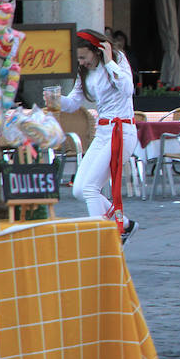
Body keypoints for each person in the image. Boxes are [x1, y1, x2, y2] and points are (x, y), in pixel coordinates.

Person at [52, 29, 139, 244]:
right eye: (78, 58)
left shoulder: (117, 61)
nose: (81, 62)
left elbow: (128, 89)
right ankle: (125, 225)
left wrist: (109, 60)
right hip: (103, 133)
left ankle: (101, 241)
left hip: (122, 131)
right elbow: (73, 102)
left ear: (97, 51)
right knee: (80, 189)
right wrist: (56, 99)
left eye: (83, 57)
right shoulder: (84, 73)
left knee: (90, 188)